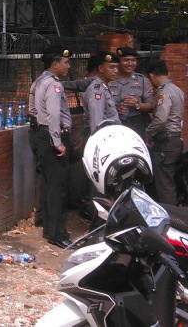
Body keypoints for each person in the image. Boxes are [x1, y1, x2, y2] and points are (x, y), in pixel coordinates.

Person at [29, 45, 75, 248]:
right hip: (51, 137)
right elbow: (54, 115)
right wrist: (57, 142)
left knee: (48, 184)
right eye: (65, 62)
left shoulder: (38, 81)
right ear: (55, 63)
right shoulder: (54, 85)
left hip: (40, 134)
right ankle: (57, 234)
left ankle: (48, 227)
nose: (68, 66)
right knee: (58, 187)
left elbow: (32, 109)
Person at [144, 59, 184, 206]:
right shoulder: (177, 90)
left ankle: (172, 220)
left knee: (164, 184)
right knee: (170, 179)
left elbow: (161, 119)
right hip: (175, 140)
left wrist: (148, 133)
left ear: (152, 76)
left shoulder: (163, 92)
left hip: (165, 143)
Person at [109, 47, 154, 140]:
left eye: (133, 60)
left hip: (137, 124)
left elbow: (151, 106)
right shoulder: (109, 79)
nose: (130, 64)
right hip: (114, 124)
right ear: (118, 62)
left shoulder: (142, 80)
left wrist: (137, 105)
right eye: (126, 60)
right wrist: (116, 109)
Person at [82, 51, 121, 135]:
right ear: (101, 69)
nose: (116, 71)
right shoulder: (97, 91)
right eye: (112, 67)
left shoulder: (104, 87)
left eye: (117, 67)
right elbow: (96, 122)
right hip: (102, 136)